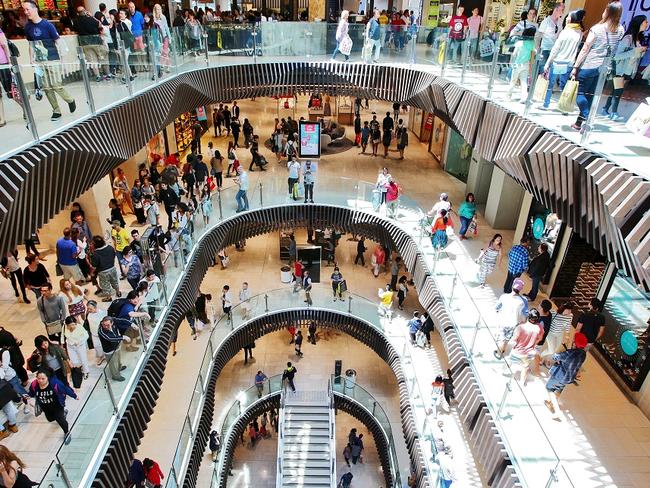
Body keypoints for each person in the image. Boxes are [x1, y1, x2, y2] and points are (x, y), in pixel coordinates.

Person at [570, 2, 624, 132]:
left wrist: (575, 66)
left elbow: (586, 48)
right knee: (590, 95)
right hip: (604, 68)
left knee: (580, 93)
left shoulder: (598, 28)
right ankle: (579, 123)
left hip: (590, 64)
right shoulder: (620, 29)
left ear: (608, 11)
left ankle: (587, 118)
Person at [22, 0, 76, 121]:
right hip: (39, 61)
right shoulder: (28, 27)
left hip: (52, 59)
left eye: (27, 9)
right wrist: (32, 60)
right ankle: (56, 110)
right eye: (24, 10)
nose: (26, 12)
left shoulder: (47, 25)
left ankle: (69, 100)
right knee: (46, 87)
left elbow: (58, 41)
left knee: (56, 84)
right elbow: (31, 44)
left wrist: (63, 59)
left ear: (35, 9)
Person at [602, 15, 648, 121]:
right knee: (618, 91)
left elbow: (634, 56)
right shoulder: (628, 38)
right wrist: (635, 51)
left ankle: (605, 109)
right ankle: (613, 112)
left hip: (628, 70)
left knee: (616, 90)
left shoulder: (638, 38)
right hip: (619, 70)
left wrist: (640, 52)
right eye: (645, 22)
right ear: (639, 23)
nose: (647, 24)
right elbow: (617, 56)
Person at [542, 10, 585, 110]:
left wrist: (548, 63)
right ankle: (563, 106)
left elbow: (555, 49)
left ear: (572, 18)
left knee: (551, 84)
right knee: (564, 86)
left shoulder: (564, 32)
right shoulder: (580, 33)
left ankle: (546, 104)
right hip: (569, 63)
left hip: (557, 61)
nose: (567, 18)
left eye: (569, 16)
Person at [544, 332, 588, 418]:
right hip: (569, 377)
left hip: (559, 375)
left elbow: (555, 357)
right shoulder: (583, 354)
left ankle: (556, 411)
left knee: (549, 388)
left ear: (575, 343)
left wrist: (563, 348)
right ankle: (550, 402)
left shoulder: (569, 353)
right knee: (559, 389)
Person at [29, 369, 78, 443]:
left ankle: (66, 432)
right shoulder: (34, 385)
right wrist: (27, 397)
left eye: (43, 378)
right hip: (45, 407)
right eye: (38, 378)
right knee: (50, 419)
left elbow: (65, 389)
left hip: (57, 406)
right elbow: (31, 393)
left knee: (60, 420)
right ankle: (64, 413)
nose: (40, 380)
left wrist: (74, 396)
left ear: (47, 378)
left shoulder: (55, 384)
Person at [494, 278, 528, 359]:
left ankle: (499, 353)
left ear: (512, 285)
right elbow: (526, 313)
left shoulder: (504, 297)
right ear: (521, 289)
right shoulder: (524, 301)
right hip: (514, 324)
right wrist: (524, 322)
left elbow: (496, 308)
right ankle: (503, 349)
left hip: (503, 321)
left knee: (502, 338)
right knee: (507, 338)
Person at [509, 309, 544, 385]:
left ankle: (503, 371)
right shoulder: (539, 328)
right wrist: (533, 344)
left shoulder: (521, 327)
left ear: (528, 317)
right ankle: (522, 382)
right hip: (529, 353)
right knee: (525, 368)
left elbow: (514, 339)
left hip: (517, 351)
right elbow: (540, 338)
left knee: (510, 362)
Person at [507, 27, 536, 103]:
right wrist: (531, 67)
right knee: (524, 82)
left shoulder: (519, 42)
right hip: (526, 64)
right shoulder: (532, 43)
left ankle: (508, 96)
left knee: (513, 81)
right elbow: (532, 57)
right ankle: (523, 98)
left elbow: (514, 54)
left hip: (517, 64)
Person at [98, 316, 130, 381]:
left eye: (108, 325)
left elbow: (122, 320)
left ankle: (119, 367)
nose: (106, 326)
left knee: (118, 357)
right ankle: (115, 376)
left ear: (112, 323)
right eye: (104, 325)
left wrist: (131, 323)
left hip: (116, 346)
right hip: (109, 350)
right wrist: (122, 337)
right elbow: (110, 338)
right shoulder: (101, 331)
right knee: (112, 363)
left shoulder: (113, 320)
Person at [537, 3, 565, 75]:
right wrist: (538, 50)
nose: (563, 12)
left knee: (550, 73)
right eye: (562, 10)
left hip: (554, 51)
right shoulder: (546, 21)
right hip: (545, 50)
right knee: (542, 71)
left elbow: (559, 35)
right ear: (556, 9)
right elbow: (538, 36)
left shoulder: (559, 22)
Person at [91, 235, 121, 302]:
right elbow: (113, 256)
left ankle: (108, 297)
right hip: (112, 268)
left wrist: (92, 272)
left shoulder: (95, 254)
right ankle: (118, 292)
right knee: (115, 281)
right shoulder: (110, 248)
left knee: (105, 285)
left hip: (103, 272)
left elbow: (94, 266)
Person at [63, 316, 90, 382]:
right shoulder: (64, 327)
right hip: (70, 346)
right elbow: (62, 335)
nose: (72, 327)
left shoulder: (79, 327)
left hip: (80, 345)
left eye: (73, 324)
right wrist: (62, 343)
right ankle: (78, 370)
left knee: (83, 359)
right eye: (69, 325)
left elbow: (86, 336)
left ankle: (86, 371)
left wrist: (79, 342)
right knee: (73, 360)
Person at [86, 300, 106, 365]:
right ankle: (101, 357)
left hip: (102, 333)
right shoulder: (88, 314)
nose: (89, 310)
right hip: (94, 334)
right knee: (97, 346)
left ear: (95, 307)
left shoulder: (102, 313)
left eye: (90, 308)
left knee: (104, 345)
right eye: (88, 308)